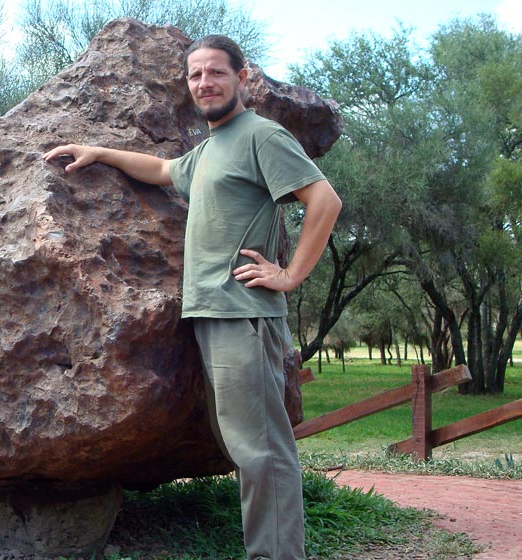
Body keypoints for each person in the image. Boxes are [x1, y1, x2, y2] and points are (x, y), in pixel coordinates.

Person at [42, 35, 341, 560]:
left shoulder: (261, 136)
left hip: (243, 316)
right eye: (195, 75)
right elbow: (161, 171)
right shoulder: (208, 150)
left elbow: (324, 200)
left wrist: (290, 275)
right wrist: (100, 153)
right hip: (211, 316)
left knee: (262, 452)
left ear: (241, 77)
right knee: (244, 447)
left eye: (216, 73)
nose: (205, 83)